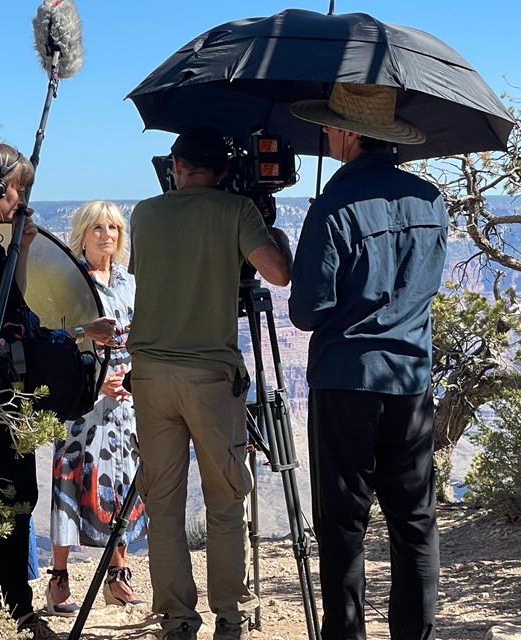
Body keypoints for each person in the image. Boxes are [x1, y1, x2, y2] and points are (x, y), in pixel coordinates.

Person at [0, 131, 117, 639]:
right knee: (3, 493)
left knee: (14, 491)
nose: (24, 202)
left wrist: (26, 252)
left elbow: (15, 311)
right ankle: (12, 612)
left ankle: (9, 608)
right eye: (19, 191)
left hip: (3, 385)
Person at [288, 83, 448, 640]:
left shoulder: (333, 205)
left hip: (346, 381)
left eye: (330, 126)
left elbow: (307, 311)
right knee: (414, 521)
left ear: (352, 134)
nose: (325, 134)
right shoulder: (432, 201)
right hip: (410, 381)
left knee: (343, 524)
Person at [127, 127, 293, 640]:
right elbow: (278, 274)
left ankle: (177, 620)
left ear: (176, 164)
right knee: (225, 502)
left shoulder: (144, 214)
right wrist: (270, 229)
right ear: (222, 172)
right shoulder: (233, 211)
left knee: (164, 502)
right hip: (210, 376)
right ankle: (228, 615)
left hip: (151, 377)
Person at [47, 200, 147, 616]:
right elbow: (52, 335)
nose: (107, 235)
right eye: (98, 228)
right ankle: (59, 580)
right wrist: (93, 382)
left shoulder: (130, 283)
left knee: (121, 482)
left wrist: (135, 380)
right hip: (83, 399)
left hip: (125, 398)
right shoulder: (70, 281)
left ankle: (117, 577)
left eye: (114, 228)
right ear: (83, 233)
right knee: (72, 482)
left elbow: (144, 334)